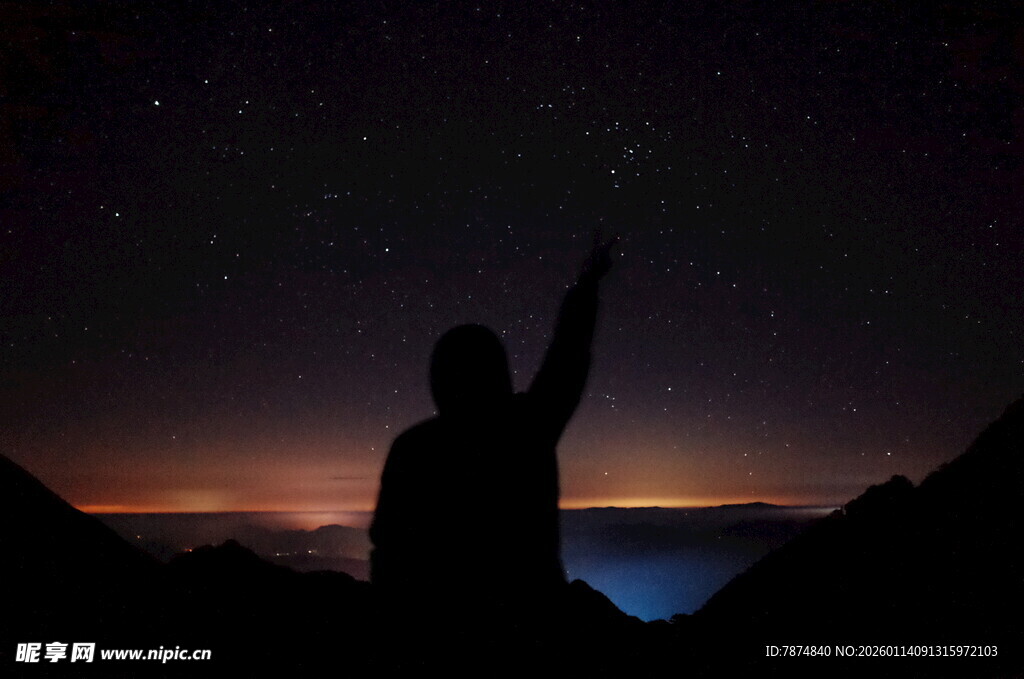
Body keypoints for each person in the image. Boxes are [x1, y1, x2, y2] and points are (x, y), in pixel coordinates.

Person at [369, 237, 617, 623]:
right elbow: (566, 359)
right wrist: (585, 289)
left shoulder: (414, 448)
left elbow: (388, 550)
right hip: (533, 619)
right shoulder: (527, 427)